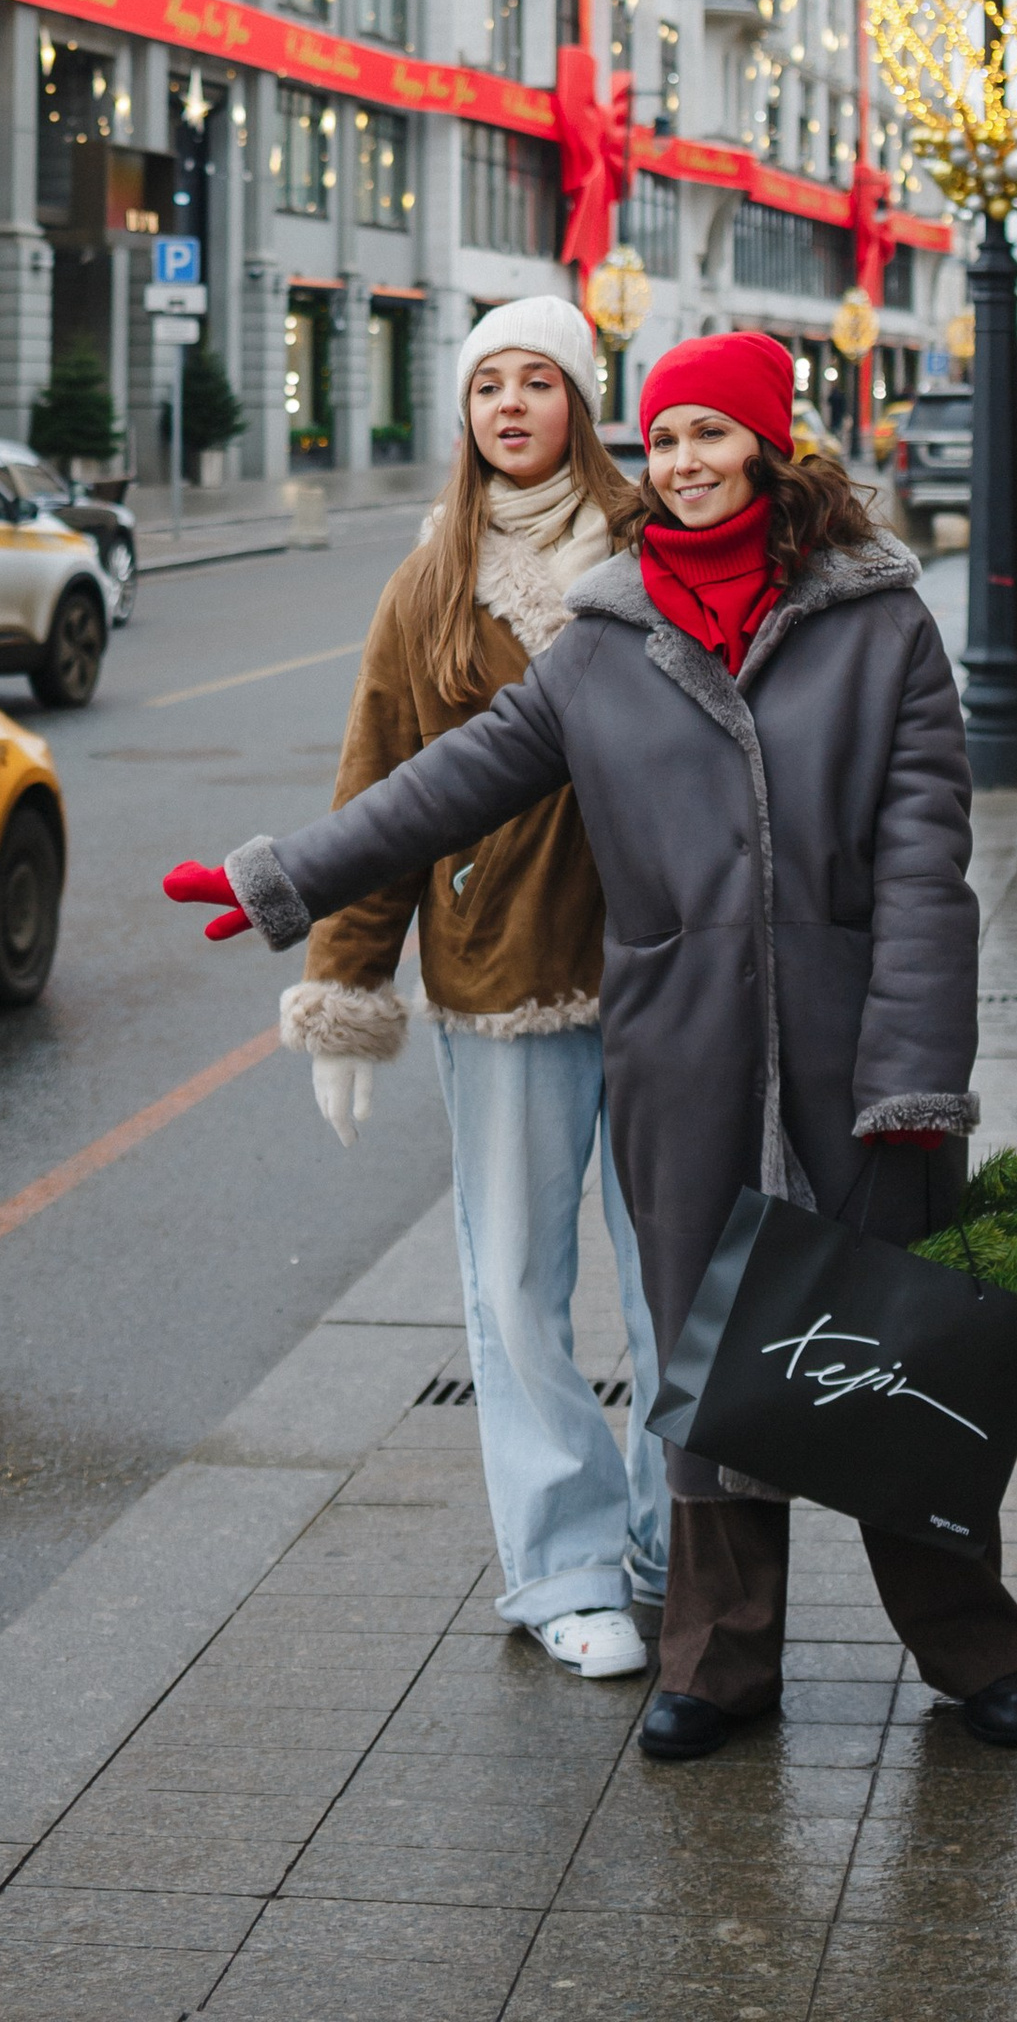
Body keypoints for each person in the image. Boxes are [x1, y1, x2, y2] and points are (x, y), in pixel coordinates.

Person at [165, 326, 1017, 1766]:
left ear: (769, 441)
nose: (686, 462)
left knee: (889, 1356)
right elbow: (442, 783)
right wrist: (288, 878)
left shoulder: (878, 623)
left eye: (713, 434)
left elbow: (926, 874)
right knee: (708, 1363)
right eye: (668, 438)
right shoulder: (607, 637)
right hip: (679, 1061)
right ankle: (718, 1657)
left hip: (854, 1058)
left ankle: (968, 1644)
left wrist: (914, 1080)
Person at [280, 294, 664, 1682]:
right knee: (515, 1287)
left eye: (539, 380)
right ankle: (566, 1567)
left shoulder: (651, 552)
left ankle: (681, 1548)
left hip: (662, 967)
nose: (510, 405)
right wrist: (346, 985)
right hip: (502, 975)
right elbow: (381, 787)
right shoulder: (431, 579)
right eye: (486, 384)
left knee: (687, 1278)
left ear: (581, 399)